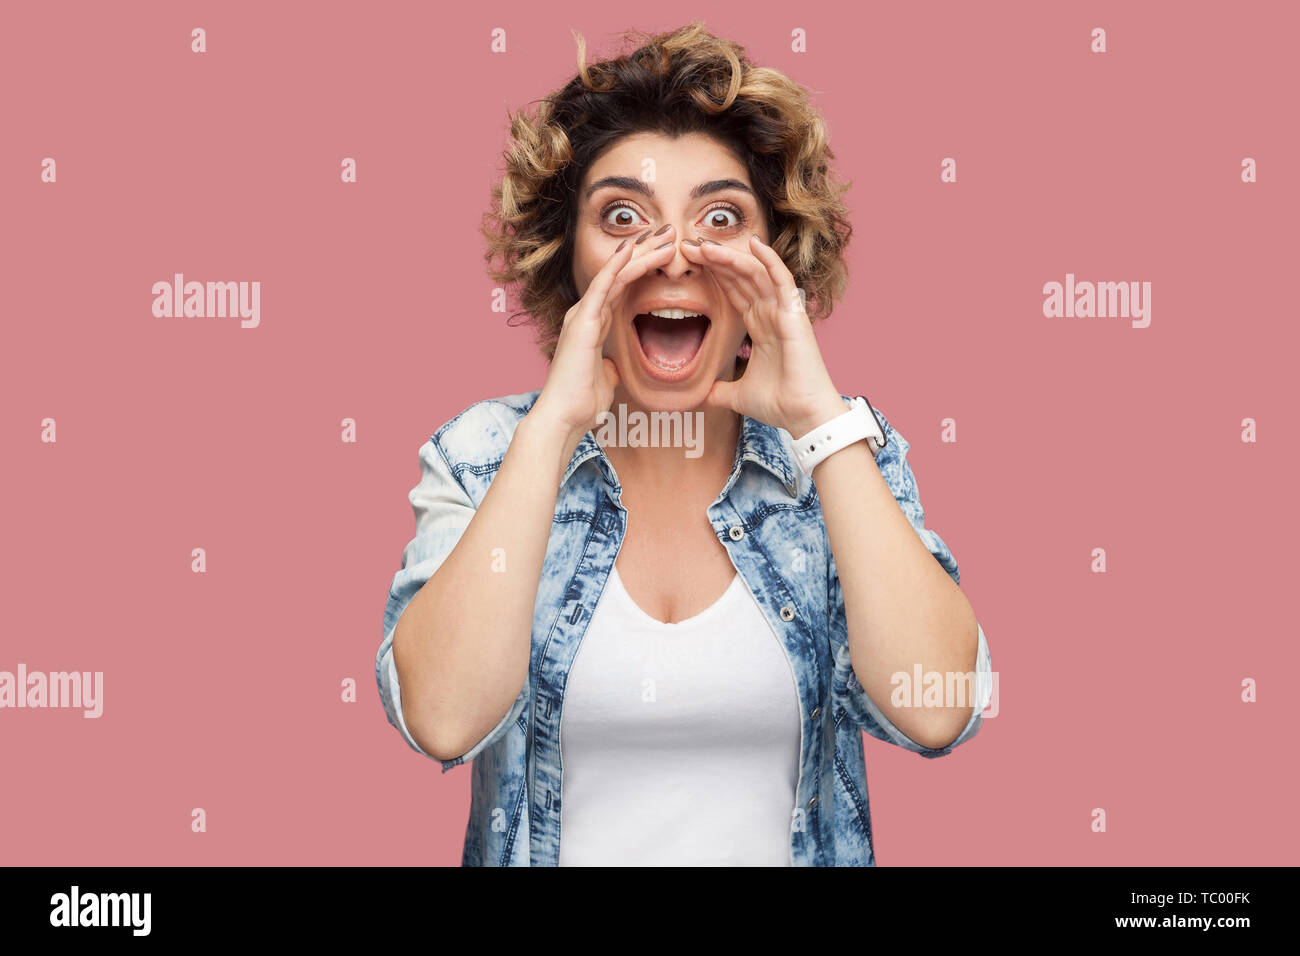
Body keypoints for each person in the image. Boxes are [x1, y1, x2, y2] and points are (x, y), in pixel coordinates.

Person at [376, 21, 993, 866]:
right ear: (570, 259)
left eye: (721, 216)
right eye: (624, 215)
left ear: (774, 259)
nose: (671, 257)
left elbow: (939, 708)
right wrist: (553, 426)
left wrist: (818, 419)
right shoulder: (485, 454)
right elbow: (443, 719)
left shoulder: (844, 456)